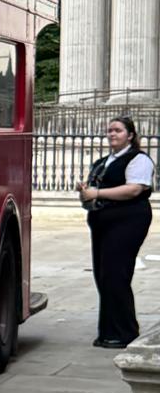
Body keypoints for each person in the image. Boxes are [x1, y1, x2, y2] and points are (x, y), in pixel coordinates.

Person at [78, 116, 155, 348]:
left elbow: (134, 189)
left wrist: (97, 194)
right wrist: (86, 192)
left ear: (130, 135)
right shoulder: (103, 161)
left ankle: (125, 332)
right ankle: (108, 331)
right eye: (110, 130)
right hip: (103, 222)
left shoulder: (139, 159)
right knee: (103, 275)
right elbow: (95, 189)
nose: (112, 134)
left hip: (128, 221)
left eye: (118, 130)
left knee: (116, 274)